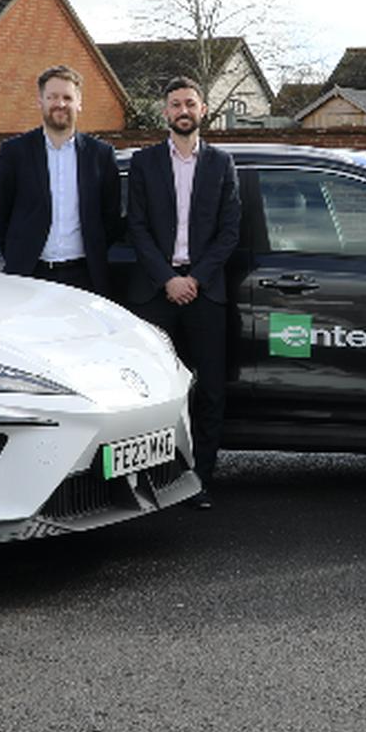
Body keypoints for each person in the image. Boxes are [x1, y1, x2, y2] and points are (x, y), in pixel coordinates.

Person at [124, 76, 241, 508]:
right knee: (151, 391)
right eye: (175, 104)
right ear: (165, 112)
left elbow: (230, 231)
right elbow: (135, 226)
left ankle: (198, 480)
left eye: (190, 103)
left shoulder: (222, 164)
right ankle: (150, 480)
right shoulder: (145, 163)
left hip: (205, 291)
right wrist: (167, 278)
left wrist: (196, 279)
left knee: (209, 388)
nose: (183, 110)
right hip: (156, 290)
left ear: (203, 109)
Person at [0, 64, 121, 294]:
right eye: (53, 97)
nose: (60, 104)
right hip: (30, 275)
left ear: (79, 103)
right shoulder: (15, 152)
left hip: (85, 276)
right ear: (41, 101)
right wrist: (18, 254)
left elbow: (111, 217)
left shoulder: (101, 155)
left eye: (68, 98)